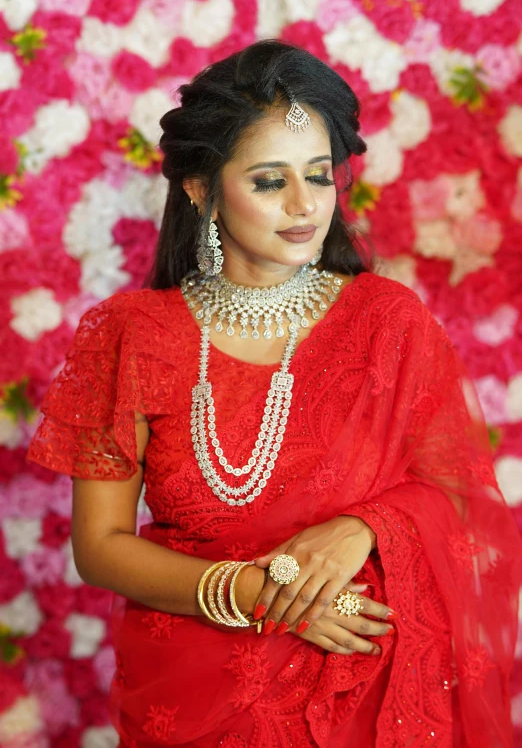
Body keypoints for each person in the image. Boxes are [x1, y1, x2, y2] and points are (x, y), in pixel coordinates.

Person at [27, 39, 521, 748]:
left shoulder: (387, 322)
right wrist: (270, 598)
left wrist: (366, 527)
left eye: (319, 177)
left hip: (365, 687)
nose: (303, 206)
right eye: (268, 181)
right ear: (200, 187)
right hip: (196, 685)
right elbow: (101, 546)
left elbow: (463, 498)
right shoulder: (130, 334)